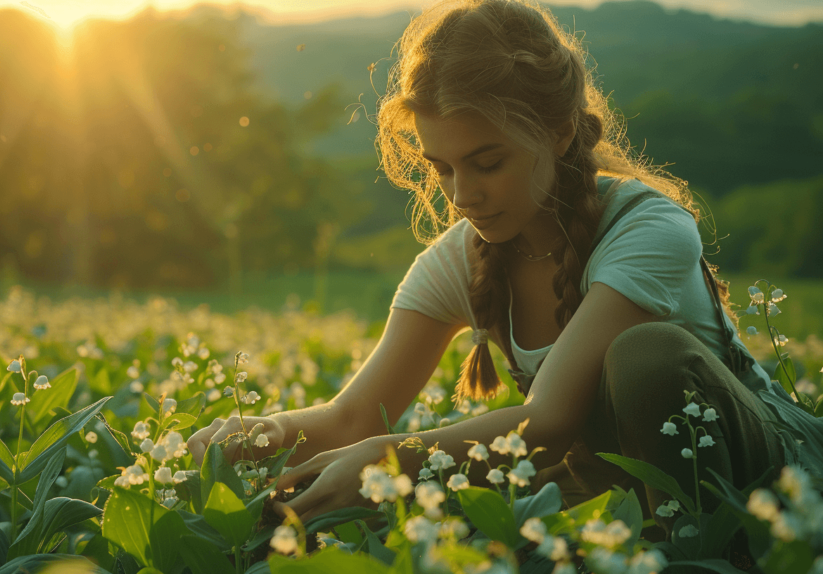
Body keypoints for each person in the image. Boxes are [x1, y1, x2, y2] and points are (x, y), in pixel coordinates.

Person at [187, 0, 822, 541]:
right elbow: (354, 416)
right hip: (615, 487)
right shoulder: (461, 259)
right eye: (443, 168)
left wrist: (393, 460)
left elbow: (546, 423)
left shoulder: (649, 228)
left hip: (773, 474)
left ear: (560, 129)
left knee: (646, 357)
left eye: (487, 162)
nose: (462, 194)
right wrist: (266, 434)